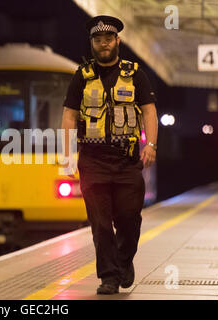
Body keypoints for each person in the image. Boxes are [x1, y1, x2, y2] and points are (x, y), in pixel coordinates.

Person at [61, 15, 158, 294]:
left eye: (108, 39)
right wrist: (68, 155)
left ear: (117, 41)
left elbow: (149, 110)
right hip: (92, 161)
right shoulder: (82, 76)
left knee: (129, 218)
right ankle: (109, 277)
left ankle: (124, 261)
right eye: (98, 40)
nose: (103, 44)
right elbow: (69, 116)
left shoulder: (135, 74)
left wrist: (150, 145)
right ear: (92, 43)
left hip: (127, 161)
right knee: (101, 223)